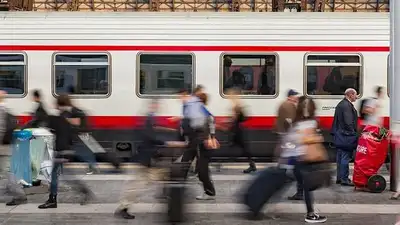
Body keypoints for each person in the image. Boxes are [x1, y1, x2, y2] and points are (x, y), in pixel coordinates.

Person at [115, 99, 187, 219]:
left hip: (149, 158)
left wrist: (167, 130)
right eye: (157, 105)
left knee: (164, 176)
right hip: (145, 158)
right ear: (153, 105)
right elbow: (150, 137)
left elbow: (153, 130)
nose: (159, 107)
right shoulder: (147, 119)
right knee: (138, 183)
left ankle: (168, 199)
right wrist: (169, 143)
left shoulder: (149, 118)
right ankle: (123, 208)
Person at [38, 95, 92, 209]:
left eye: (55, 103)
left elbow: (51, 129)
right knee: (66, 175)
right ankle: (84, 191)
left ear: (59, 104)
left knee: (56, 175)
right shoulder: (69, 116)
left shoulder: (60, 117)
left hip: (61, 150)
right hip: (67, 149)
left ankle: (53, 200)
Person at [284, 96, 327, 223]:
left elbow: (292, 140)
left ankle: (310, 211)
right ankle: (310, 214)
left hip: (298, 158)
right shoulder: (311, 123)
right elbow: (306, 139)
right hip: (306, 159)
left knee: (303, 185)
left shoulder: (295, 122)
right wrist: (317, 138)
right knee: (309, 187)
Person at [0, 91, 27, 206]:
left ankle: (19, 194)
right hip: (6, 146)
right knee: (7, 172)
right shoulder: (6, 111)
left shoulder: (2, 112)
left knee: (7, 172)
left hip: (3, 147)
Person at [225, 88, 256, 173]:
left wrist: (231, 120)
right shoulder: (238, 105)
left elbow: (238, 118)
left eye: (231, 95)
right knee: (242, 148)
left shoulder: (237, 105)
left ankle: (221, 162)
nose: (230, 97)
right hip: (237, 129)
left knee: (241, 148)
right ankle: (251, 165)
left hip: (237, 130)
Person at [332, 88, 358, 186]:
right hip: (346, 136)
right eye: (355, 95)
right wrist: (353, 133)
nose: (356, 97)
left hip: (340, 135)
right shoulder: (346, 106)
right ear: (350, 94)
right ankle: (344, 179)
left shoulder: (341, 104)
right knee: (345, 157)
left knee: (340, 157)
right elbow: (348, 122)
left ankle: (339, 177)